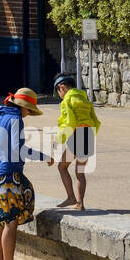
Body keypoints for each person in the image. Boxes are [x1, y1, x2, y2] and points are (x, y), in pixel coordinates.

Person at [0, 87, 51, 260]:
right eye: (29, 110)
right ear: (23, 107)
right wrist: (44, 157)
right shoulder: (15, 120)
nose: (28, 114)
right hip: (9, 176)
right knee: (11, 223)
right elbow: (20, 149)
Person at [53, 73, 100, 209]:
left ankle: (71, 197)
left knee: (62, 167)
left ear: (62, 87)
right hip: (88, 134)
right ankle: (80, 203)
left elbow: (69, 123)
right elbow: (95, 121)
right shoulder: (85, 99)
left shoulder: (67, 101)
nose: (59, 94)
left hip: (78, 135)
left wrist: (58, 141)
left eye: (58, 91)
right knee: (80, 171)